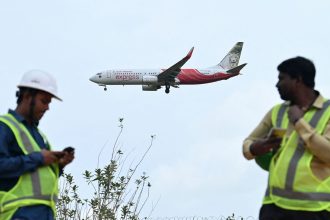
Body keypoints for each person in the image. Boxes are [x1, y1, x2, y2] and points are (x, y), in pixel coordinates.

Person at [242, 57, 330, 220]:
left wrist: (299, 122)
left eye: (281, 78)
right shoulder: (277, 112)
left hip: (315, 209)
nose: (277, 84)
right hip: (274, 206)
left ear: (298, 79)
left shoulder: (328, 111)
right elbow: (248, 144)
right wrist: (257, 147)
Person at [0, 70, 75, 220]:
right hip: (17, 214)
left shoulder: (39, 136)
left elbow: (35, 178)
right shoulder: (4, 127)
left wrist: (58, 166)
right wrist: (38, 159)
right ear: (27, 96)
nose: (47, 107)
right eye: (44, 101)